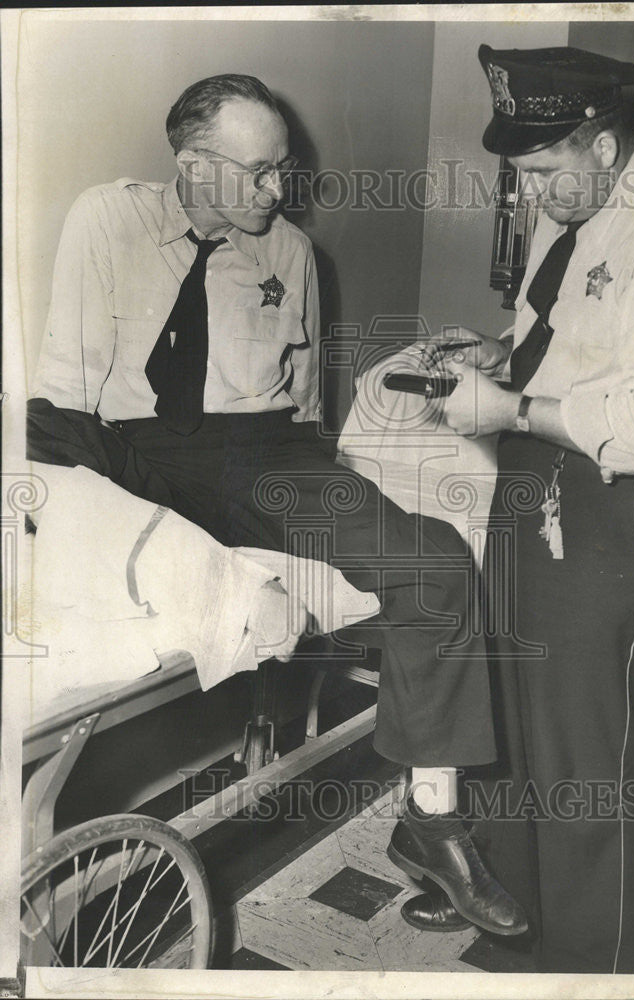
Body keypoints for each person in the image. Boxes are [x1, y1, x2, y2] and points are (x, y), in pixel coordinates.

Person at [26, 73, 527, 937]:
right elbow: (62, 400)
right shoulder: (107, 220)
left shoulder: (292, 254)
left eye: (284, 170)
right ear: (193, 164)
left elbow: (302, 412)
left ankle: (432, 821)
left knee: (437, 564)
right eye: (259, 172)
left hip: (265, 455)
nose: (278, 190)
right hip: (131, 448)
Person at [403, 45, 634, 972]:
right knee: (521, 727)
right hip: (539, 487)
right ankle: (518, 918)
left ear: (603, 144)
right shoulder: (582, 209)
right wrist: (494, 359)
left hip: (619, 510)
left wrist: (511, 409)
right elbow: (562, 346)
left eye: (545, 171)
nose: (533, 192)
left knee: (592, 758)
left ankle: (590, 962)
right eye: (522, 175)